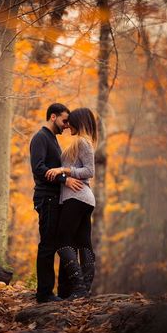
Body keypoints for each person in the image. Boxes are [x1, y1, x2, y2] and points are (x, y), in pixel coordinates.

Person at [30, 103, 84, 303]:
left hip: (55, 198)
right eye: (64, 120)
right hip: (46, 197)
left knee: (58, 243)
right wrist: (65, 179)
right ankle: (44, 294)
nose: (66, 125)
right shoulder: (40, 138)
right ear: (53, 117)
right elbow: (38, 168)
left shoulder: (52, 139)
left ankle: (61, 292)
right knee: (47, 245)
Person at [46, 107, 97, 300]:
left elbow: (89, 171)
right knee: (83, 242)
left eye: (70, 123)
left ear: (79, 122)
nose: (67, 127)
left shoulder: (83, 142)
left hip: (76, 198)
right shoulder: (81, 143)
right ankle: (83, 290)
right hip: (83, 198)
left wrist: (63, 170)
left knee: (63, 241)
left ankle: (79, 287)